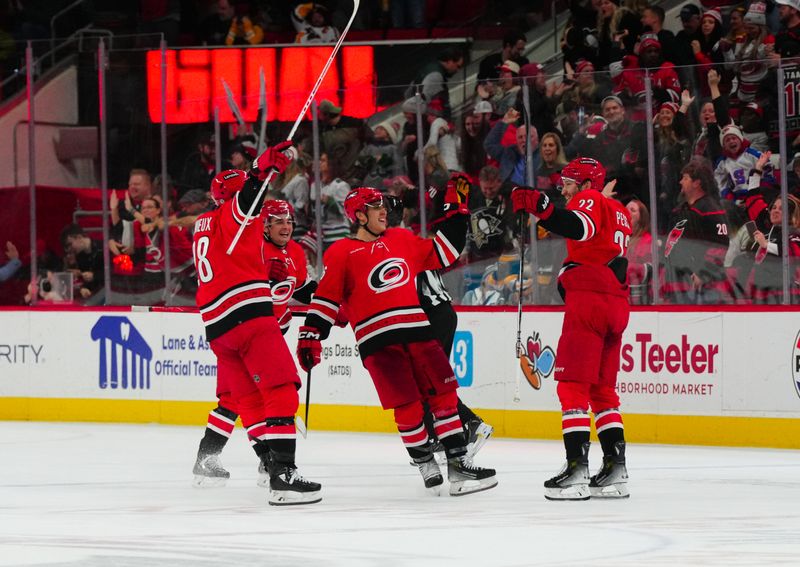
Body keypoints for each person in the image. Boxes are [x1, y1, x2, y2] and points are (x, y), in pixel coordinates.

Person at [297, 180, 497, 496]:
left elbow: (445, 252)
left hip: (419, 331)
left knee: (444, 396)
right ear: (359, 216)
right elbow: (326, 299)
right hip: (378, 343)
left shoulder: (402, 239)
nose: (383, 212)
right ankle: (424, 462)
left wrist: (456, 214)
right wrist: (311, 334)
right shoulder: (342, 253)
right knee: (407, 407)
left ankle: (459, 466)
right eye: (376, 207)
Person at [190, 143, 322, 506]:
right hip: (248, 318)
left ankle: (268, 461)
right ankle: (283, 474)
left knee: (247, 401)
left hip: (218, 327)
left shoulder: (205, 226)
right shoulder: (233, 218)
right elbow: (246, 200)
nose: (273, 218)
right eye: (271, 216)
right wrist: (261, 171)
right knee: (280, 390)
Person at [511, 157, 632, 500]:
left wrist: (542, 206)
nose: (563, 191)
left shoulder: (590, 199)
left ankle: (576, 472)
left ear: (585, 184)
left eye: (567, 183)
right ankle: (615, 470)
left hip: (590, 301)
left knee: (572, 389)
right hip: (616, 303)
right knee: (603, 391)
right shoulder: (619, 210)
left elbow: (579, 227)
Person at [662, 158, 732, 304]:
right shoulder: (680, 210)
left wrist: (704, 273)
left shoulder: (711, 209)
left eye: (685, 178)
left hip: (704, 286)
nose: (681, 182)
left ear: (697, 183)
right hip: (677, 281)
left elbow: (720, 246)